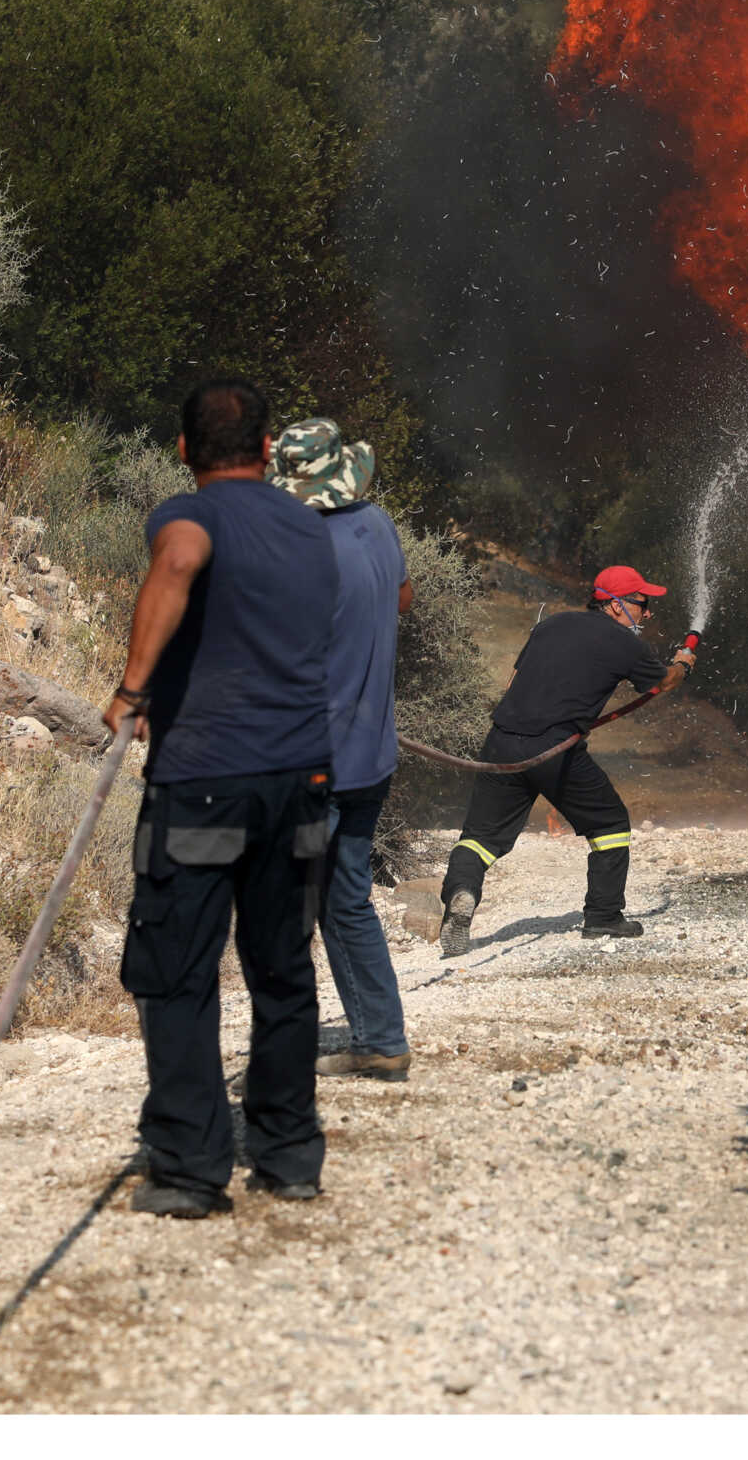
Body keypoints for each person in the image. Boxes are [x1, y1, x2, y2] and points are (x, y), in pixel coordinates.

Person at [101, 378, 337, 1219]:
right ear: (268, 451)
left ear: (182, 450)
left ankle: (192, 1166)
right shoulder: (313, 531)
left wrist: (132, 691)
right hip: (302, 782)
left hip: (203, 783)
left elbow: (180, 561)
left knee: (176, 971)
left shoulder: (182, 514)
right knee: (282, 969)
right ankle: (288, 1154)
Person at [437, 565, 696, 958]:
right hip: (555, 749)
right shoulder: (625, 644)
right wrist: (684, 661)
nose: (647, 613)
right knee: (609, 823)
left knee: (481, 837)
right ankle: (604, 917)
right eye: (642, 604)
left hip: (502, 741)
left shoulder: (550, 625)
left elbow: (512, 683)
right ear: (614, 606)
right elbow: (663, 683)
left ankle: (462, 893)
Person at [265, 419, 417, 1083]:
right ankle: (380, 1039)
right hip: (371, 753)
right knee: (343, 895)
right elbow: (403, 598)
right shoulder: (377, 524)